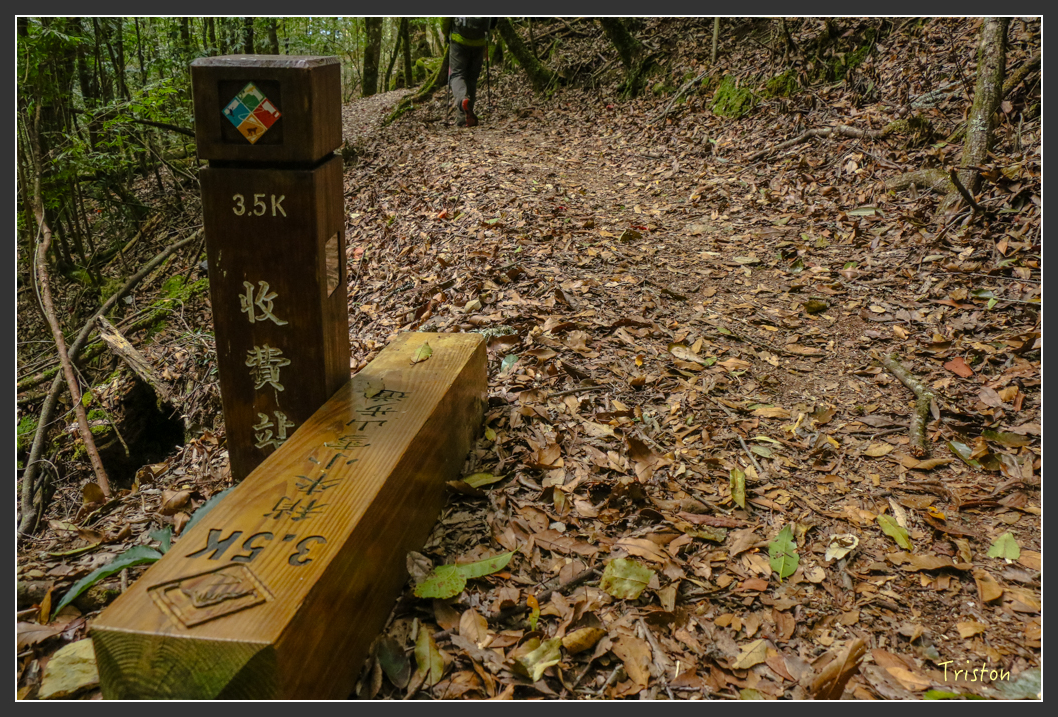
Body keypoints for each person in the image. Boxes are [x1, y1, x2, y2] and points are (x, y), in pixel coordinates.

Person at [443, 17, 497, 127]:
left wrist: (446, 32)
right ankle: (464, 118)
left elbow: (445, 19)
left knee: (457, 74)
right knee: (472, 78)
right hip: (479, 40)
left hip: (458, 39)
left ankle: (462, 100)